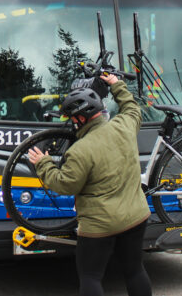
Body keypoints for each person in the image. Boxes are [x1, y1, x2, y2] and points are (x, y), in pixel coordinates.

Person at [28, 75, 152, 296]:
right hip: (136, 216)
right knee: (134, 270)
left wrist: (43, 163)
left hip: (99, 227)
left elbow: (65, 185)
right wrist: (116, 84)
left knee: (91, 277)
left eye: (73, 119)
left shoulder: (79, 151)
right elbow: (132, 107)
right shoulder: (124, 125)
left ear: (81, 120)